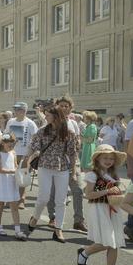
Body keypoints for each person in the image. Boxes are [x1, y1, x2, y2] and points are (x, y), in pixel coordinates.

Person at [26, 106, 78, 243]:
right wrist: (27, 162)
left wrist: (74, 172)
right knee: (43, 198)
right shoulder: (42, 131)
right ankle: (35, 217)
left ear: (56, 116)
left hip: (62, 168)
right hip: (45, 167)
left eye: (48, 115)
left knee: (60, 201)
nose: (46, 117)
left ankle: (58, 229)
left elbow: (73, 153)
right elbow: (33, 146)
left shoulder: (69, 133)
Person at [76, 144, 127, 265]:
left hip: (113, 208)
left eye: (111, 158)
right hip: (99, 209)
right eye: (105, 157)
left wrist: (120, 192)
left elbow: (118, 191)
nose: (108, 160)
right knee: (107, 241)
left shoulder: (114, 175)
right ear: (97, 158)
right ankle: (85, 252)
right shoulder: (92, 174)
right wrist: (107, 191)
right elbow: (89, 195)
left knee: (114, 243)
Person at [47, 96, 86, 232]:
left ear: (70, 108)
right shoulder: (50, 122)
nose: (64, 108)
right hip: (55, 162)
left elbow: (77, 142)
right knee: (53, 191)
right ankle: (53, 217)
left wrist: (77, 146)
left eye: (67, 106)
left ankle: (78, 220)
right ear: (57, 107)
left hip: (73, 161)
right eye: (61, 105)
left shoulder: (73, 123)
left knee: (78, 190)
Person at [0, 134, 26, 240]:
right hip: (2, 180)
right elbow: (0, 169)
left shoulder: (13, 153)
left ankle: (17, 230)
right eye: (9, 144)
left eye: (13, 144)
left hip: (11, 181)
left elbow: (15, 165)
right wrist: (14, 171)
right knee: (0, 204)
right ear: (3, 143)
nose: (11, 146)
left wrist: (19, 171)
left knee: (14, 205)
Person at [5, 102, 38, 208]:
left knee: (22, 177)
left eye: (18, 109)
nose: (16, 111)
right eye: (15, 109)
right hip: (11, 154)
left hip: (25, 154)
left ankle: (21, 200)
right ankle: (10, 198)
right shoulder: (10, 121)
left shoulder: (30, 123)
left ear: (24, 111)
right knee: (10, 177)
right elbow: (6, 135)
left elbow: (35, 139)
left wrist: (32, 154)